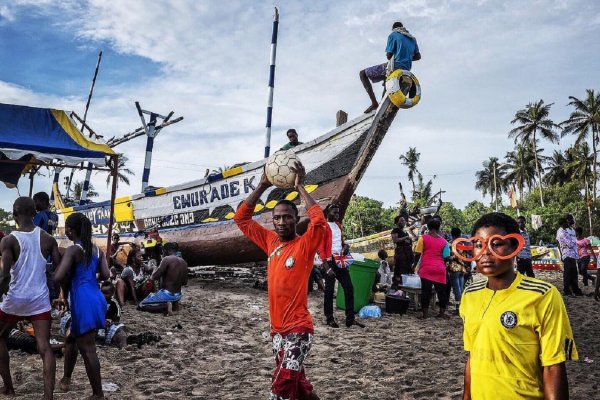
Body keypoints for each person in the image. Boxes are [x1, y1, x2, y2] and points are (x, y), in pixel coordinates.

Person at [460, 212, 577, 399]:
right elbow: (472, 356)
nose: (486, 252)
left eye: (496, 243)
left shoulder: (542, 295)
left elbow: (553, 366)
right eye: (478, 245)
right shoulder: (469, 295)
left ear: (515, 246)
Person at [234, 160, 324, 400]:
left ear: (296, 219)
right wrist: (263, 184)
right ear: (273, 221)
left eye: (287, 217)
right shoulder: (270, 242)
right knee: (300, 387)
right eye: (277, 218)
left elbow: (319, 221)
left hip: (299, 330)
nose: (282, 222)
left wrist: (300, 187)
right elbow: (241, 219)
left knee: (281, 388)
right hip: (277, 332)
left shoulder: (304, 244)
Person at [0, 197, 61, 399]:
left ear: (15, 214)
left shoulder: (8, 240)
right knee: (44, 347)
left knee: (0, 337)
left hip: (15, 299)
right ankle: (48, 396)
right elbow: (57, 274)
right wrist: (60, 297)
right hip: (39, 300)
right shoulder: (48, 239)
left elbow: (5, 276)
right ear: (35, 213)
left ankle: (9, 388)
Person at [54, 212, 110, 399]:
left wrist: (64, 285)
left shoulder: (73, 250)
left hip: (82, 300)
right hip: (96, 297)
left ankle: (98, 394)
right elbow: (106, 274)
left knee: (88, 349)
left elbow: (59, 276)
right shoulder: (97, 250)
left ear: (70, 231)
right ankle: (66, 378)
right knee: (72, 338)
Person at [318, 203, 364, 329]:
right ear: (328, 213)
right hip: (330, 260)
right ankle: (329, 318)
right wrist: (327, 267)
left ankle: (350, 319)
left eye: (338, 212)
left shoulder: (338, 225)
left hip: (341, 259)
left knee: (349, 288)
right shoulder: (323, 226)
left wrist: (345, 247)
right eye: (335, 212)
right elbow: (320, 248)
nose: (337, 214)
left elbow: (341, 242)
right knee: (329, 291)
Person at [359, 21, 421, 113]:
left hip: (395, 66)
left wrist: (398, 56)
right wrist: (405, 56)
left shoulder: (394, 35)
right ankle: (380, 107)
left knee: (362, 73)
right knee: (386, 85)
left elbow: (389, 55)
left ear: (394, 28)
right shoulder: (412, 39)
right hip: (405, 70)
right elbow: (418, 56)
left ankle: (374, 103)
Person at [413, 218, 450, 319]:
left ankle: (425, 314)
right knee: (441, 292)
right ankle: (441, 314)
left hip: (426, 268)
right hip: (440, 269)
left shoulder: (423, 238)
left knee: (426, 292)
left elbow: (417, 253)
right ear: (438, 228)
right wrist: (441, 264)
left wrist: (415, 265)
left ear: (428, 228)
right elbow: (447, 257)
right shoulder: (444, 242)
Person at [138, 242, 188, 316]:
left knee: (141, 305)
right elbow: (184, 282)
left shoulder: (166, 259)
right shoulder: (184, 262)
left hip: (167, 294)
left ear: (165, 250)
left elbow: (154, 277)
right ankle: (174, 303)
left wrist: (155, 269)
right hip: (178, 295)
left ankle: (166, 305)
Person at [556, 215, 583, 296]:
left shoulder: (570, 230)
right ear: (565, 222)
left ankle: (575, 290)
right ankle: (567, 290)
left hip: (573, 254)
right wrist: (561, 254)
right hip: (567, 254)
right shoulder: (561, 232)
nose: (571, 221)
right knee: (568, 274)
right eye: (570, 219)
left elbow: (573, 242)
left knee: (574, 273)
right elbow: (570, 244)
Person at [447, 228, 467, 312]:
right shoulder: (462, 244)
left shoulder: (451, 244)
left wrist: (449, 258)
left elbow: (452, 256)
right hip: (462, 268)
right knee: (461, 289)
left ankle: (458, 308)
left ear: (452, 234)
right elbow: (465, 257)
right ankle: (462, 307)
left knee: (456, 289)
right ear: (460, 234)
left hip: (454, 268)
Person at [391, 215, 413, 284]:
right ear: (397, 222)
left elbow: (407, 241)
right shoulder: (395, 230)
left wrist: (409, 239)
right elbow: (395, 240)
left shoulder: (404, 231)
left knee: (407, 271)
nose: (403, 222)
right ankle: (398, 287)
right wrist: (406, 237)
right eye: (401, 220)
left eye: (404, 220)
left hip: (407, 254)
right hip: (401, 254)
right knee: (400, 270)